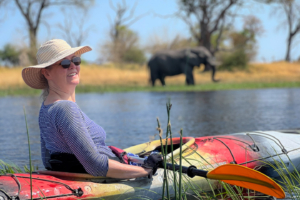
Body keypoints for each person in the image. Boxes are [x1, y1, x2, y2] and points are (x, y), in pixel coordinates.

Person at [21, 39, 162, 179]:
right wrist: (145, 170)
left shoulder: (45, 108)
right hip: (103, 177)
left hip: (83, 175)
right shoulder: (66, 109)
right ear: (47, 74)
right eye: (64, 63)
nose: (73, 66)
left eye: (75, 61)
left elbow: (48, 160)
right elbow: (95, 165)